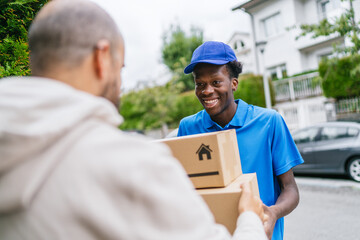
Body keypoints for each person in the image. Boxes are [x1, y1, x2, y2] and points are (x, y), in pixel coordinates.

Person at [0, 1, 268, 239]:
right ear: (101, 57)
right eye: (121, 69)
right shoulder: (135, 166)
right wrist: (249, 219)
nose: (119, 86)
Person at [177, 41, 304, 240]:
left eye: (216, 82)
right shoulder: (188, 128)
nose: (206, 90)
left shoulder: (269, 122)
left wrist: (273, 213)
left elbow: (290, 189)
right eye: (199, 84)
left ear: (234, 83)